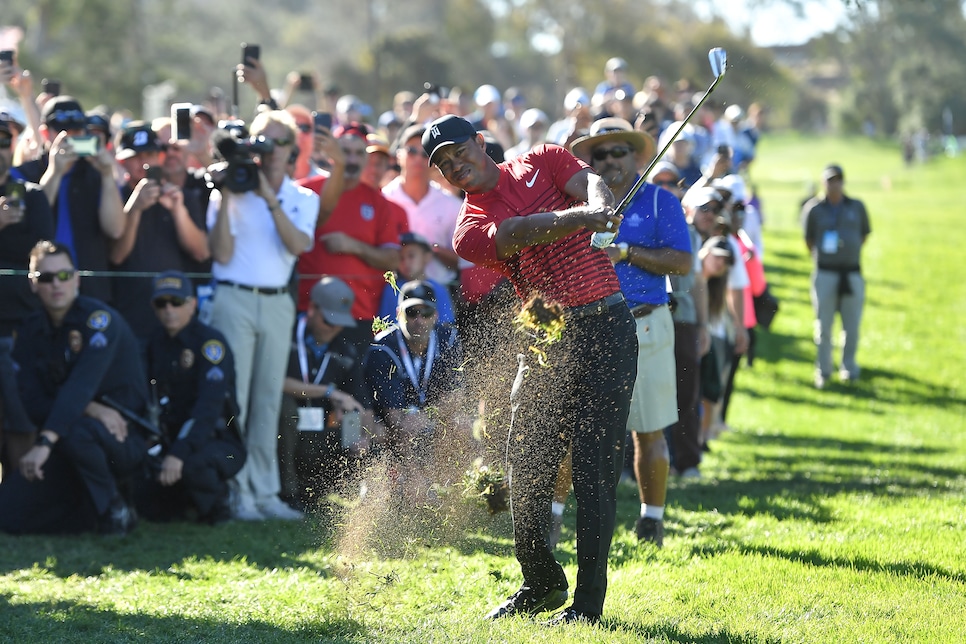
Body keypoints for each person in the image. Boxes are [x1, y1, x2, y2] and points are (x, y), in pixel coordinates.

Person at [425, 114, 637, 625]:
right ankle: (540, 582)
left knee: (593, 471)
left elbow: (586, 179)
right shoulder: (467, 231)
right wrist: (582, 219)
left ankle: (588, 604)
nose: (456, 166)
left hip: (607, 325)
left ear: (480, 142)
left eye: (459, 152)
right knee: (526, 464)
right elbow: (519, 232)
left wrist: (601, 203)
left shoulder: (542, 158)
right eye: (444, 165)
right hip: (545, 337)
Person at [570, 117, 691, 547]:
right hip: (588, 324)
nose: (608, 161)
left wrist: (628, 252)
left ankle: (651, 521)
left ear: (635, 156)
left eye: (617, 151)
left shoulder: (660, 201)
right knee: (574, 428)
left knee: (649, 429)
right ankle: (554, 518)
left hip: (646, 320)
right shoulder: (580, 204)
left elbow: (681, 262)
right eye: (599, 154)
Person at [206, 109, 319, 521]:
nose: (267, 150)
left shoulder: (303, 197)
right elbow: (218, 252)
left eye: (277, 142)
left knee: (268, 398)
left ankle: (265, 493)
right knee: (233, 398)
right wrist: (227, 198)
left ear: (291, 150)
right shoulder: (230, 188)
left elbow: (297, 245)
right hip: (233, 297)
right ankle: (238, 493)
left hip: (276, 300)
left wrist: (268, 199)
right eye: (261, 141)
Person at [0, 241, 147, 535]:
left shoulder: (100, 322)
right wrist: (90, 408)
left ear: (77, 278)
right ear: (32, 284)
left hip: (123, 439)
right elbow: (33, 403)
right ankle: (88, 511)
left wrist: (44, 443)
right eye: (45, 278)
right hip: (64, 440)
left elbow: (80, 387)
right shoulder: (30, 331)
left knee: (80, 431)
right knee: (8, 514)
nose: (56, 284)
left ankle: (115, 508)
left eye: (64, 275)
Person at [139, 271, 246, 524]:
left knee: (192, 467)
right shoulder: (154, 343)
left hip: (215, 440)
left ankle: (222, 500)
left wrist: (178, 453)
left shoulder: (210, 344)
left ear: (192, 304)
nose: (169, 310)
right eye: (161, 303)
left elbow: (208, 409)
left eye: (176, 302)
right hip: (170, 437)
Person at [297, 122, 402, 355]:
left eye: (358, 153)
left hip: (357, 314)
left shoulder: (378, 202)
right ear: (332, 154)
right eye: (345, 152)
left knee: (350, 385)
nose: (352, 160)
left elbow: (392, 259)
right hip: (309, 310)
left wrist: (353, 246)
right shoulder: (306, 192)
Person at [278, 276, 381, 509]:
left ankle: (352, 489)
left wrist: (363, 435)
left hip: (319, 434)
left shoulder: (346, 348)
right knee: (284, 408)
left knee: (354, 416)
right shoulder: (284, 333)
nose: (334, 328)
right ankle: (288, 493)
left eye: (339, 321)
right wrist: (328, 392)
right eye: (328, 320)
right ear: (312, 308)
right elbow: (272, 382)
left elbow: (360, 400)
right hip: (283, 430)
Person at [12, 96, 125, 303]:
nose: (72, 138)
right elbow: (29, 221)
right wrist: (55, 172)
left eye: (78, 132)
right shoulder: (23, 174)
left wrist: (108, 176)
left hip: (89, 289)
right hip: (39, 288)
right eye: (64, 132)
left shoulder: (95, 173)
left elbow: (115, 229)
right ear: (45, 133)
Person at [110, 122, 208, 344]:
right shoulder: (114, 198)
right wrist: (134, 209)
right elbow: (116, 256)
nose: (144, 162)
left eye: (151, 154)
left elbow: (201, 253)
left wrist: (178, 211)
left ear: (160, 157)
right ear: (122, 161)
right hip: (133, 313)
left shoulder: (182, 197)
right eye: (136, 156)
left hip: (176, 315)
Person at [0, 114, 54, 471]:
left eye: (5, 142)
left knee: (20, 400)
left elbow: (41, 247)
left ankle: (22, 492)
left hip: (23, 324)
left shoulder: (30, 195)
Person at [364, 280, 464, 466]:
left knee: (463, 426)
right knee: (382, 432)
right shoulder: (382, 348)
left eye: (425, 313)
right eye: (411, 313)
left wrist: (426, 418)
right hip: (392, 422)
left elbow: (455, 397)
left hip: (431, 417)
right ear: (399, 314)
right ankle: (409, 484)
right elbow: (392, 414)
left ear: (435, 316)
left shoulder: (448, 340)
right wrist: (412, 423)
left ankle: (450, 486)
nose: (419, 320)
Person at [802, 164, 870, 389]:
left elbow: (864, 234)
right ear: (823, 182)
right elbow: (809, 240)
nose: (834, 184)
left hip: (852, 272)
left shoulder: (856, 206)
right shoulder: (814, 208)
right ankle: (824, 370)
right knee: (824, 326)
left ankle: (848, 368)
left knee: (852, 326)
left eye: (838, 179)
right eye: (830, 180)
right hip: (825, 273)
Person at [382, 124, 462, 288]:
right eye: (411, 151)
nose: (418, 158)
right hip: (392, 290)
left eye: (425, 154)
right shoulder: (383, 199)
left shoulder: (452, 205)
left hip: (442, 292)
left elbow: (464, 263)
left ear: (433, 162)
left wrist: (433, 250)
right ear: (398, 155)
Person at [378, 232, 456, 326]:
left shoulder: (439, 290)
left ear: (427, 256)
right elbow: (386, 327)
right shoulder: (391, 290)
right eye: (401, 258)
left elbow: (446, 327)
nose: (406, 262)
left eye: (411, 256)